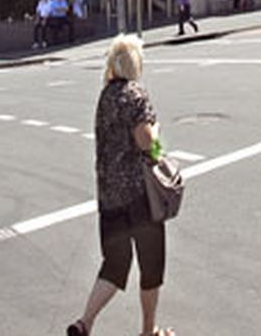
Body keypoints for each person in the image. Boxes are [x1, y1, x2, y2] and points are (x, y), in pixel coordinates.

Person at [66, 35, 169, 336]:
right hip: (139, 196)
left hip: (109, 196)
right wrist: (157, 132)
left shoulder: (106, 96)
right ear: (135, 64)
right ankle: (148, 331)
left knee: (114, 263)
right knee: (151, 265)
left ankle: (85, 322)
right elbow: (147, 143)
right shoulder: (135, 94)